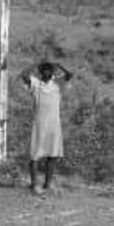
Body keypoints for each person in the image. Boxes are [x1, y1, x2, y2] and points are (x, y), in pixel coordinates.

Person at [20, 61, 73, 195]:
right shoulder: (36, 84)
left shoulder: (57, 83)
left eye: (49, 71)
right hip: (39, 124)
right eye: (44, 70)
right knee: (34, 155)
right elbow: (23, 74)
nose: (47, 73)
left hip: (54, 125)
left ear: (53, 72)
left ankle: (47, 185)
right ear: (40, 72)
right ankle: (34, 186)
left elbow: (70, 75)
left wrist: (59, 65)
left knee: (53, 155)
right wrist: (36, 64)